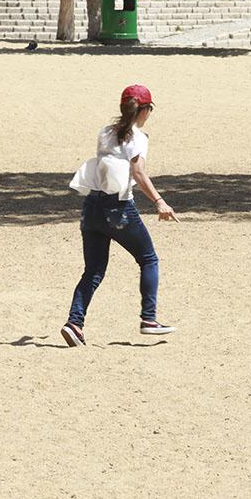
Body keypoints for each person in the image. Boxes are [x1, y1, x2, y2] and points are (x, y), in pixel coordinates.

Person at [61, 84, 178, 347]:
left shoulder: (105, 132)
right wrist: (159, 202)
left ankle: (74, 324)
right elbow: (138, 173)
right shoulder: (138, 138)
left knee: (93, 270)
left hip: (91, 207)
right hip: (118, 209)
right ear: (145, 110)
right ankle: (149, 319)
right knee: (148, 259)